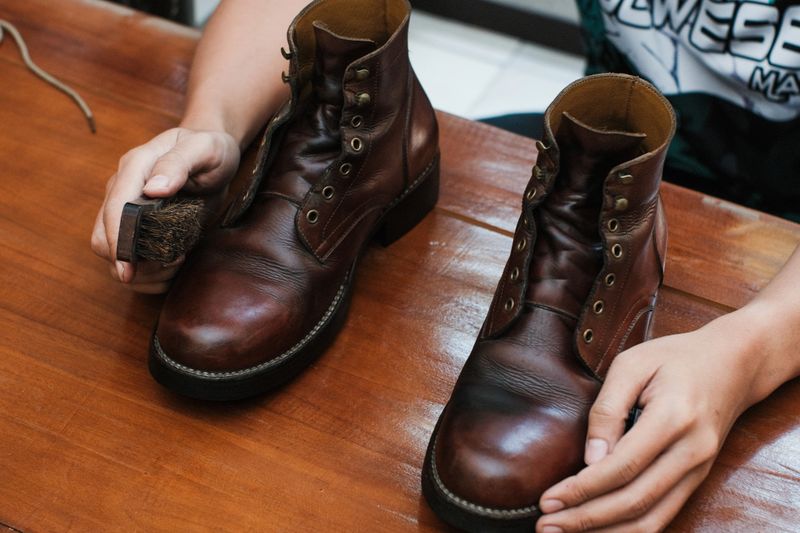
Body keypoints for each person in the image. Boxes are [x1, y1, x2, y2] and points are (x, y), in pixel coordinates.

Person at [90, 1, 800, 531]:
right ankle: (394, 149)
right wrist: (213, 121)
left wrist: (757, 343)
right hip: (615, 156)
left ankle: (630, 238)